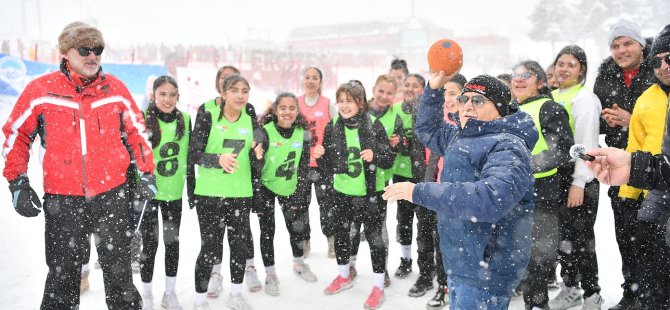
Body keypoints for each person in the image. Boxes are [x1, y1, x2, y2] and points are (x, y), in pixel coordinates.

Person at [2, 21, 155, 309]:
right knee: (62, 280)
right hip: (64, 199)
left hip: (112, 195)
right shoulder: (41, 90)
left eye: (97, 49)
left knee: (121, 277)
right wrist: (17, 181)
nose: (92, 56)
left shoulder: (115, 89)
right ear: (66, 52)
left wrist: (147, 171)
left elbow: (138, 131)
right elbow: (16, 135)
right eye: (84, 49)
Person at [384, 72, 538, 309]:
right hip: (462, 260)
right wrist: (434, 89)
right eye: (464, 99)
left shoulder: (508, 145)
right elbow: (427, 128)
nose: (467, 106)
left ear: (499, 108)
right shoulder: (461, 135)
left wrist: (419, 192)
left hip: (486, 269)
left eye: (478, 101)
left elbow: (489, 199)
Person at [315, 81, 395, 309]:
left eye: (349, 101)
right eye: (340, 101)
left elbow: (389, 158)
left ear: (360, 102)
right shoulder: (332, 126)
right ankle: (344, 275)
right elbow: (328, 166)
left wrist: (376, 156)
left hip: (370, 193)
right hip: (342, 192)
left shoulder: (374, 125)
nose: (344, 105)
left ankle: (378, 286)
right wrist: (321, 156)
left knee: (374, 239)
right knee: (342, 235)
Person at [593, 19, 654, 310]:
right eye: (615, 45)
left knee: (652, 240)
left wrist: (633, 121)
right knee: (625, 237)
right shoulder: (605, 77)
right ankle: (631, 293)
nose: (621, 50)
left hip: (654, 168)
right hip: (621, 169)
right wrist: (609, 122)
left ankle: (653, 297)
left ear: (641, 44)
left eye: (627, 42)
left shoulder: (658, 72)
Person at [189, 74, 261, 310]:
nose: (240, 95)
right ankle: (200, 300)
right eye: (234, 90)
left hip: (240, 193)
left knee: (239, 246)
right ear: (223, 94)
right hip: (210, 194)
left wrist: (259, 149)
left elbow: (260, 141)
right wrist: (217, 159)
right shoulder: (209, 116)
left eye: (245, 91)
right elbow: (194, 154)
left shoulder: (250, 118)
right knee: (210, 248)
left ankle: (236, 293)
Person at [613, 24, 670, 309]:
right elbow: (634, 147)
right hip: (654, 192)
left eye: (669, 58)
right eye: (657, 61)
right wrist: (627, 194)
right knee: (653, 269)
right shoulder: (647, 99)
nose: (663, 66)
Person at [511, 61, 574, 310]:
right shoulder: (511, 110)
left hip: (542, 193)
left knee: (537, 256)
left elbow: (563, 149)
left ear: (540, 82)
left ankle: (537, 304)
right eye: (515, 75)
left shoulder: (549, 108)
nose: (518, 79)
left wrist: (528, 164)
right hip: (515, 191)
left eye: (525, 75)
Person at [549, 45, 604, 310]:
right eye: (561, 63)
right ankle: (570, 289)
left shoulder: (583, 98)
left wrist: (579, 182)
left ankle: (593, 293)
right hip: (557, 179)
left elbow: (587, 144)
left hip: (578, 179)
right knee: (564, 239)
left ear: (581, 69)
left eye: (571, 65)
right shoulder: (553, 96)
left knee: (582, 241)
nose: (564, 69)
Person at [252, 92, 318, 297]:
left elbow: (303, 165)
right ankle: (270, 274)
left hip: (289, 187)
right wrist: (256, 192)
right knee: (267, 231)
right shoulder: (265, 131)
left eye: (292, 108)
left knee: (296, 229)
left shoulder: (302, 132)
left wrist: (300, 192)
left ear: (297, 111)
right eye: (283, 108)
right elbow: (255, 164)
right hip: (266, 187)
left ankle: (299, 263)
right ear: (275, 110)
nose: (287, 112)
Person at [139, 75, 191, 310]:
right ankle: (147, 293)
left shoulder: (186, 120)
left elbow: (190, 157)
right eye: (162, 94)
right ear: (153, 95)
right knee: (149, 245)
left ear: (178, 96)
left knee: (172, 243)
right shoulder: (142, 120)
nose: (168, 99)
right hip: (149, 194)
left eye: (172, 94)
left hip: (173, 193)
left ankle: (170, 292)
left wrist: (192, 189)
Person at [348, 75, 399, 288]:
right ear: (373, 89)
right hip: (355, 179)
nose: (384, 96)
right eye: (381, 91)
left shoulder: (394, 116)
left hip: (379, 180)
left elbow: (394, 149)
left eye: (389, 93)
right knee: (352, 226)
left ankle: (382, 267)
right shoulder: (360, 111)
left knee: (379, 229)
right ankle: (350, 264)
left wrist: (395, 144)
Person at [391, 73, 438, 298]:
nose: (410, 89)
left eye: (415, 86)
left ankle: (431, 269)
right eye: (406, 85)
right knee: (404, 219)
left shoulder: (431, 111)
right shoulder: (395, 109)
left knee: (427, 224)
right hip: (402, 172)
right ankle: (406, 259)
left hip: (425, 175)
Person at [424, 73, 466, 310]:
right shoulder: (439, 123)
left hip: (463, 194)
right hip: (440, 191)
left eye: (453, 93)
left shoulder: (468, 122)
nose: (448, 99)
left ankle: (462, 288)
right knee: (441, 241)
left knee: (463, 244)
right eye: (444, 94)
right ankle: (443, 285)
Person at [298, 66, 335, 258]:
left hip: (323, 164)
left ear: (320, 82)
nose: (310, 81)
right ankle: (304, 241)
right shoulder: (294, 103)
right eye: (307, 77)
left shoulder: (328, 104)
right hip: (301, 164)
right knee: (301, 204)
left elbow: (337, 131)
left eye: (314, 78)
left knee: (327, 205)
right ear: (303, 80)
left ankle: (331, 240)